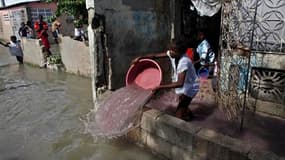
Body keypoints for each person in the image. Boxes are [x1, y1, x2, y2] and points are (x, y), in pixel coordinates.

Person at [132, 39, 199, 121]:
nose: (170, 52)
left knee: (178, 116)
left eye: (173, 51)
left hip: (190, 87)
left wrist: (160, 87)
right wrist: (141, 57)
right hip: (184, 84)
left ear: (181, 53)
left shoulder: (184, 62)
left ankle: (189, 123)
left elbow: (179, 83)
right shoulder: (173, 54)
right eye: (170, 49)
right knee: (183, 104)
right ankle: (194, 119)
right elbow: (155, 56)